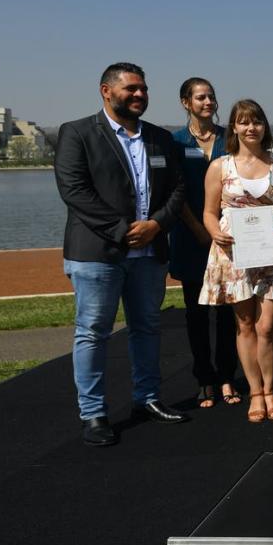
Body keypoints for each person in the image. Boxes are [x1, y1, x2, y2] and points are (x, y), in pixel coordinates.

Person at [55, 62, 188, 446]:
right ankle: (93, 414)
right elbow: (75, 191)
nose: (139, 95)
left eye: (143, 89)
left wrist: (156, 226)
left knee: (146, 327)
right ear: (106, 91)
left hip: (149, 253)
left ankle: (147, 399)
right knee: (93, 333)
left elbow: (177, 190)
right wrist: (123, 231)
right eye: (131, 89)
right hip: (97, 253)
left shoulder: (161, 139)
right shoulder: (77, 133)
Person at [201, 99, 273, 423]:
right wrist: (215, 232)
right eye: (243, 122)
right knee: (245, 325)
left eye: (256, 121)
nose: (251, 127)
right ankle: (256, 392)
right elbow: (209, 211)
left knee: (268, 326)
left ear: (264, 126)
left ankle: (271, 389)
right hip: (233, 255)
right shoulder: (220, 167)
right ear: (234, 127)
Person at [169, 77, 238, 408]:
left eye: (211, 96)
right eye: (200, 97)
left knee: (228, 314)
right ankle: (204, 378)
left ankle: (227, 376)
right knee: (196, 315)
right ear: (186, 103)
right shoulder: (175, 142)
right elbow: (174, 191)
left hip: (229, 239)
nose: (208, 102)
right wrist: (199, 229)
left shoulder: (231, 138)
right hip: (191, 237)